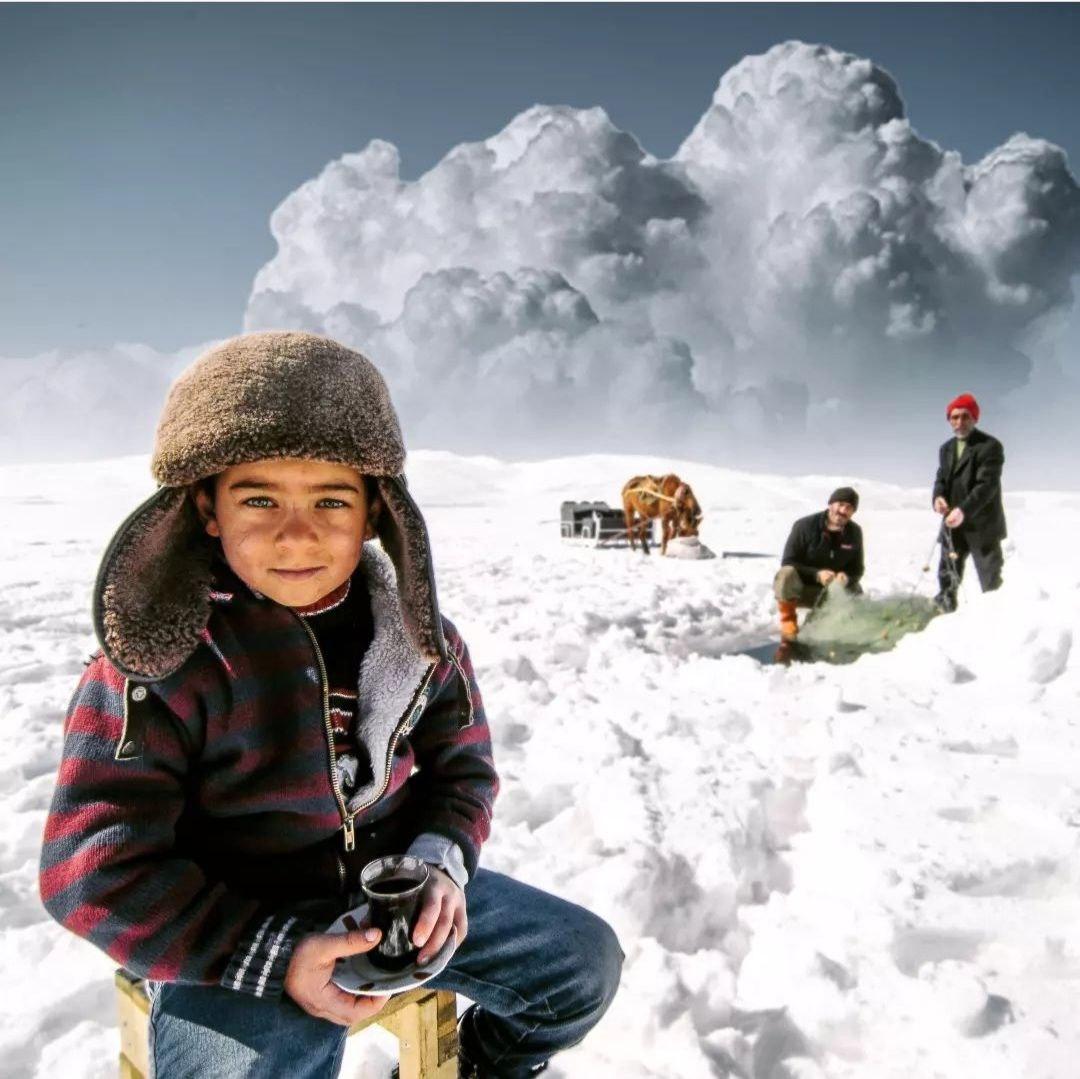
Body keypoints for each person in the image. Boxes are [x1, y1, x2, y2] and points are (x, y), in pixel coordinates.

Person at [39, 331, 622, 1078]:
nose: (298, 532)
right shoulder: (158, 665)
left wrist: (438, 863)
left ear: (375, 511)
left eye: (331, 498)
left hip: (393, 905)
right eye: (258, 498)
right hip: (231, 932)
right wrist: (276, 955)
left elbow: (463, 771)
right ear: (206, 509)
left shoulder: (418, 641)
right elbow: (88, 869)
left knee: (581, 963)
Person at [931, 393, 1006, 612]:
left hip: (982, 524)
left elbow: (987, 485)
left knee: (990, 578)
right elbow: (941, 478)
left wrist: (963, 510)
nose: (959, 422)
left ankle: (996, 618)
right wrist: (938, 497)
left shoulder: (990, 446)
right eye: (954, 417)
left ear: (974, 418)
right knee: (947, 573)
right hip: (952, 523)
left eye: (965, 416)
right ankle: (945, 610)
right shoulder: (945, 448)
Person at [774, 487, 864, 641]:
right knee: (785, 574)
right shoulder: (804, 526)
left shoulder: (855, 532)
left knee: (856, 592)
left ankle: (818, 621)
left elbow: (857, 568)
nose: (843, 510)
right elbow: (788, 561)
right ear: (830, 504)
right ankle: (788, 620)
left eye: (849, 507)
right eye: (840, 504)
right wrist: (816, 574)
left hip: (832, 591)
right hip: (801, 589)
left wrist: (846, 577)